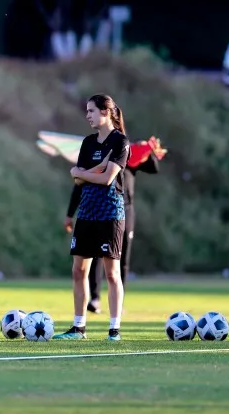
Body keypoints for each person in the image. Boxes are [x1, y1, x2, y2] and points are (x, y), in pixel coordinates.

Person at [54, 94, 130, 341]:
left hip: (109, 212)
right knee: (79, 270)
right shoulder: (87, 143)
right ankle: (78, 328)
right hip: (86, 212)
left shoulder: (120, 142)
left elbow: (107, 179)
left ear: (106, 112)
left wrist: (83, 172)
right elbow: (78, 180)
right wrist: (88, 173)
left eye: (91, 111)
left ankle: (114, 330)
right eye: (86, 111)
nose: (87, 115)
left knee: (111, 273)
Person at [65, 137, 164, 313]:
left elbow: (154, 169)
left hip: (125, 212)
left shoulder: (128, 155)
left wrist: (149, 152)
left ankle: (119, 302)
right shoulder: (95, 155)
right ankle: (95, 299)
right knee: (94, 257)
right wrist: (69, 214)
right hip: (101, 211)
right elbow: (78, 186)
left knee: (122, 259)